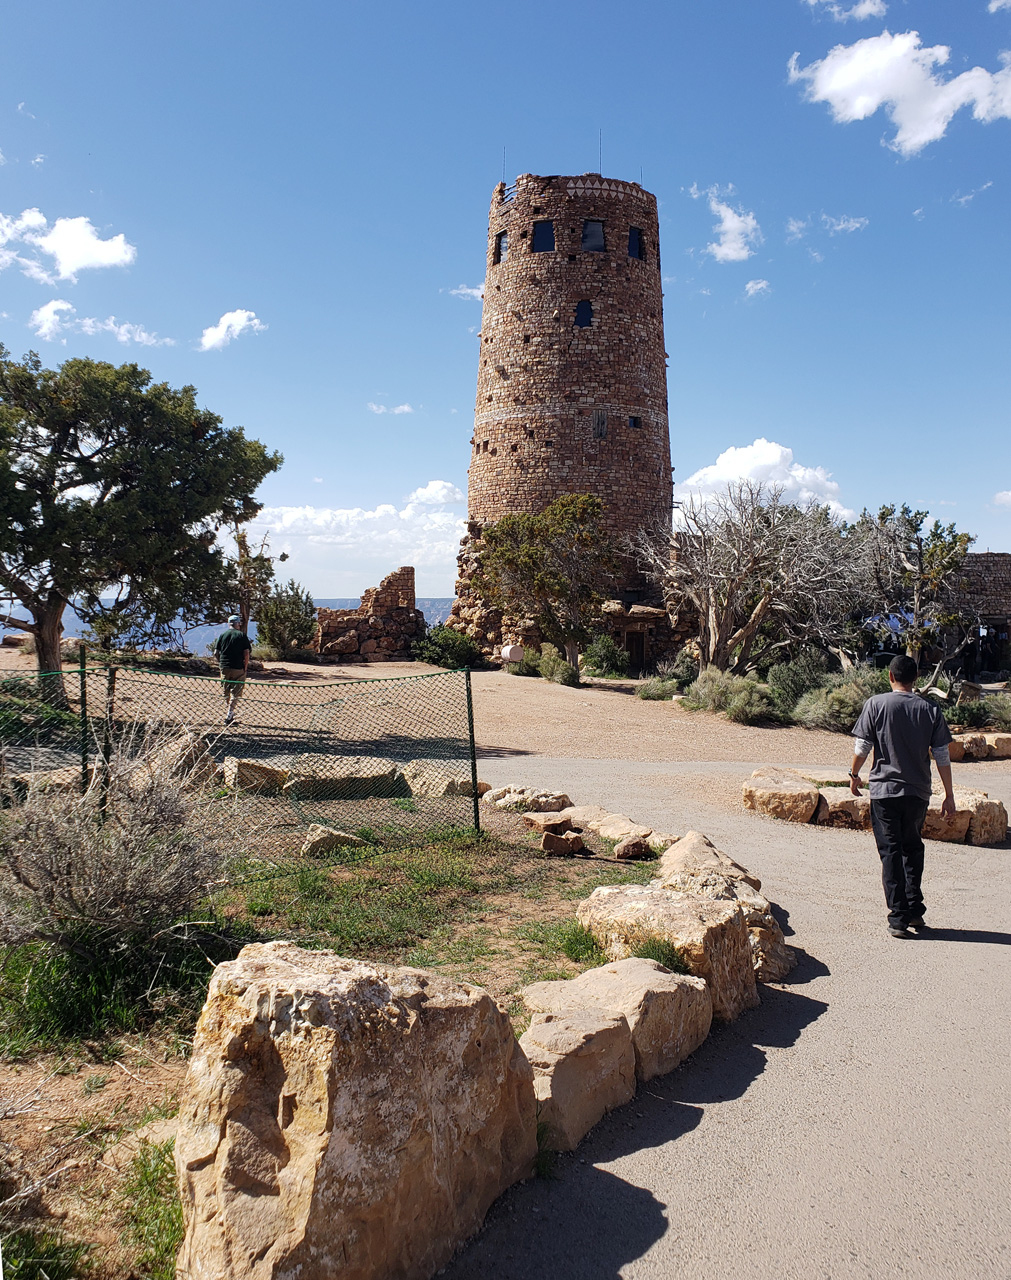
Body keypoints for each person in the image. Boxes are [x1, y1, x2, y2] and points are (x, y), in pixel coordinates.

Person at [849, 653, 955, 939]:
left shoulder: (876, 705)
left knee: (890, 851)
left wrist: (854, 774)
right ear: (916, 679)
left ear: (890, 676)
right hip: (917, 791)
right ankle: (915, 910)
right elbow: (942, 755)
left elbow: (863, 747)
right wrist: (948, 794)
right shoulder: (930, 710)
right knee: (912, 847)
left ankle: (898, 916)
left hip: (884, 791)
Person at [212, 614, 251, 725]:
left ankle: (229, 712)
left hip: (224, 667)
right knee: (236, 692)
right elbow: (246, 652)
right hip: (238, 667)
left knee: (226, 690)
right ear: (238, 624)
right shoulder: (242, 636)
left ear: (229, 624)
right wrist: (245, 666)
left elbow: (216, 652)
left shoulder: (222, 635)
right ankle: (230, 714)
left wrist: (221, 663)